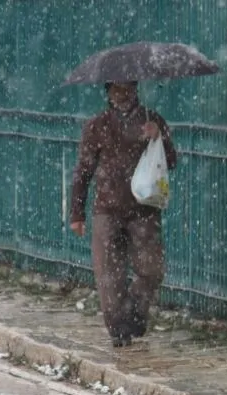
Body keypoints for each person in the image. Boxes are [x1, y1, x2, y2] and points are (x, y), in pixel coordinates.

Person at [70, 81, 177, 348]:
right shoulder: (97, 126)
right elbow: (83, 170)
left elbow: (171, 161)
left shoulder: (152, 120)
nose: (122, 94)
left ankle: (135, 315)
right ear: (107, 93)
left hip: (144, 208)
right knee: (109, 273)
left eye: (127, 88)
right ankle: (119, 329)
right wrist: (77, 212)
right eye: (116, 90)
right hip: (106, 209)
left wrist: (158, 138)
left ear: (136, 89)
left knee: (151, 269)